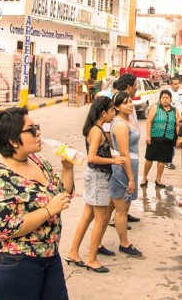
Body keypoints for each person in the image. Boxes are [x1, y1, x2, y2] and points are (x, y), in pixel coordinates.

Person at [0, 107, 74, 298]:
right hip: (10, 261)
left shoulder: (38, 161)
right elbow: (3, 228)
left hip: (48, 255)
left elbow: (62, 196)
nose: (38, 133)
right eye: (31, 130)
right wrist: (47, 210)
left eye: (36, 127)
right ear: (12, 141)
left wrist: (67, 168)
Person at [66, 97, 125, 273]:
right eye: (112, 110)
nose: (114, 113)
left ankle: (73, 252)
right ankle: (91, 259)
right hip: (98, 177)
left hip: (95, 177)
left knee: (88, 216)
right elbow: (91, 158)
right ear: (103, 112)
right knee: (101, 219)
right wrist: (114, 160)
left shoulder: (95, 129)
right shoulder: (97, 131)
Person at [107, 91, 142, 256]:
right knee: (122, 210)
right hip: (123, 169)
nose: (130, 105)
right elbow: (124, 154)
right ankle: (124, 244)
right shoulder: (120, 125)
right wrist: (131, 178)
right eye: (125, 103)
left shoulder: (128, 120)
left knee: (110, 207)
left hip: (129, 166)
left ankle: (97, 240)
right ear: (117, 107)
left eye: (130, 101)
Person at [104, 74, 141, 226]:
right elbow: (108, 133)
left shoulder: (128, 113)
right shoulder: (116, 116)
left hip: (129, 161)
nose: (137, 88)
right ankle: (117, 225)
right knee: (118, 203)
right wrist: (117, 150)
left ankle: (116, 218)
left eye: (130, 102)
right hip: (122, 163)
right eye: (135, 85)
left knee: (117, 202)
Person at [142, 90, 178, 188]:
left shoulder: (174, 110)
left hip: (168, 139)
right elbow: (149, 122)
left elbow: (177, 124)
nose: (165, 100)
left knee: (162, 160)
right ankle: (144, 177)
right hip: (154, 138)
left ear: (170, 99)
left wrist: (178, 138)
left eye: (167, 98)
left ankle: (158, 178)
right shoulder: (155, 108)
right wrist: (148, 136)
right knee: (149, 159)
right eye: (163, 98)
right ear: (160, 99)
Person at [165, 77, 182, 170]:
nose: (177, 85)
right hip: (171, 119)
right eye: (175, 84)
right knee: (171, 140)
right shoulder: (168, 93)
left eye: (178, 83)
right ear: (171, 84)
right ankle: (168, 161)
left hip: (180, 119)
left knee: (180, 140)